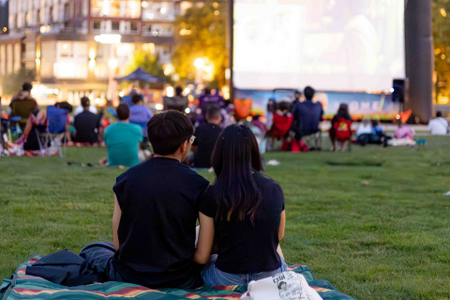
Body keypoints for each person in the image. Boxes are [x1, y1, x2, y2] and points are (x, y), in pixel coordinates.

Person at [80, 110, 209, 289]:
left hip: (128, 276)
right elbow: (202, 256)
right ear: (183, 145)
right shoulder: (199, 185)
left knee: (93, 248)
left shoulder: (125, 180)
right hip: (180, 278)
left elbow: (118, 245)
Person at [195, 124, 287, 286]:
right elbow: (278, 236)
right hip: (270, 277)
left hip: (226, 278)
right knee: (273, 246)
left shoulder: (212, 193)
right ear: (253, 151)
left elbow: (203, 256)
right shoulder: (274, 188)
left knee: (200, 239)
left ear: (220, 152)